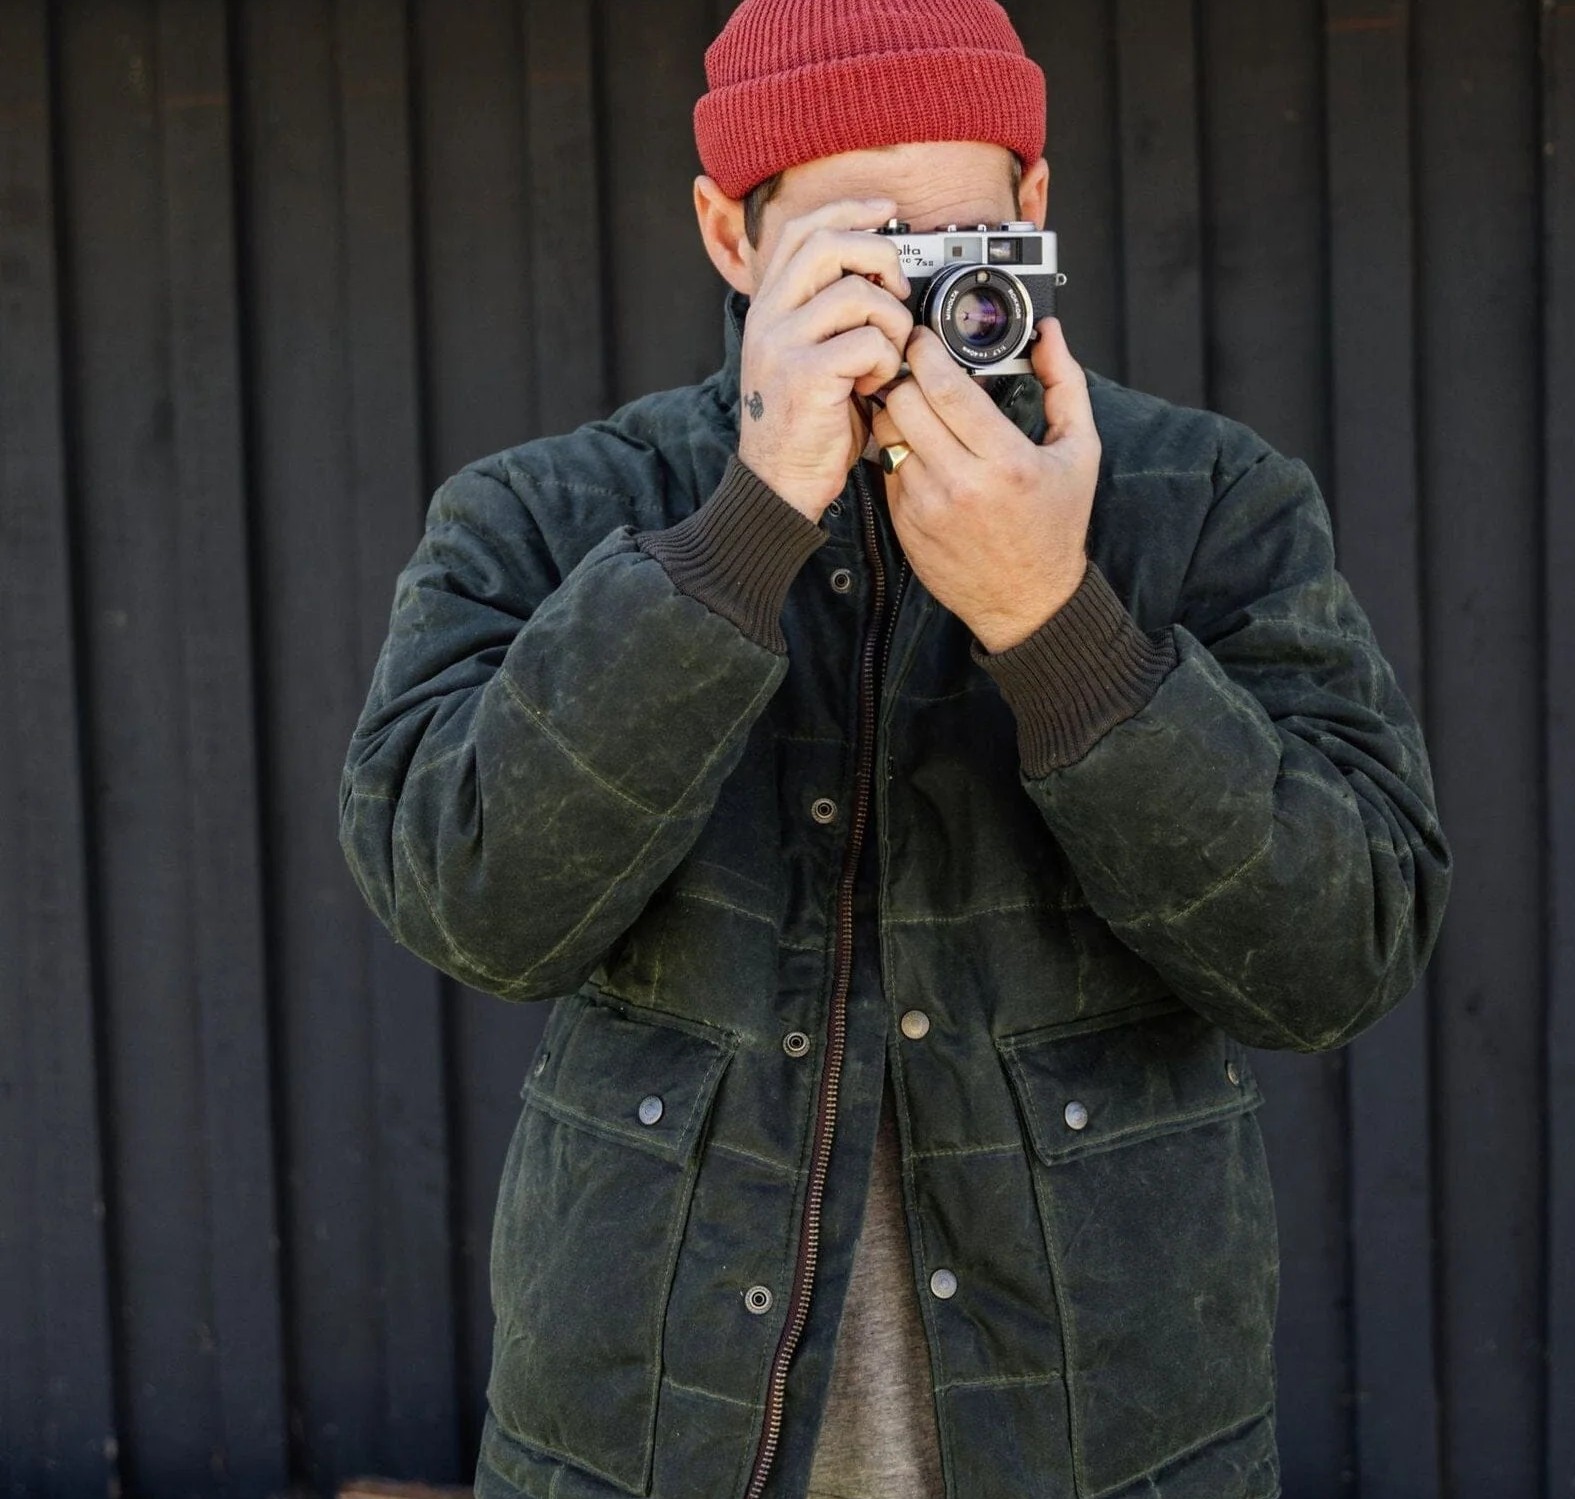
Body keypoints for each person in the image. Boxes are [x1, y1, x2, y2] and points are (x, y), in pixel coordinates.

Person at [337, 1, 1452, 1495]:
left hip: (1105, 1445)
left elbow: (1343, 953)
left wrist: (1057, 625)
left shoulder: (1204, 500)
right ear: (731, 239)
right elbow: (471, 903)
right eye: (864, 258)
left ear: (1034, 206)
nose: (921, 304)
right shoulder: (543, 513)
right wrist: (740, 537)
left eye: (961, 245)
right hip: (656, 1441)